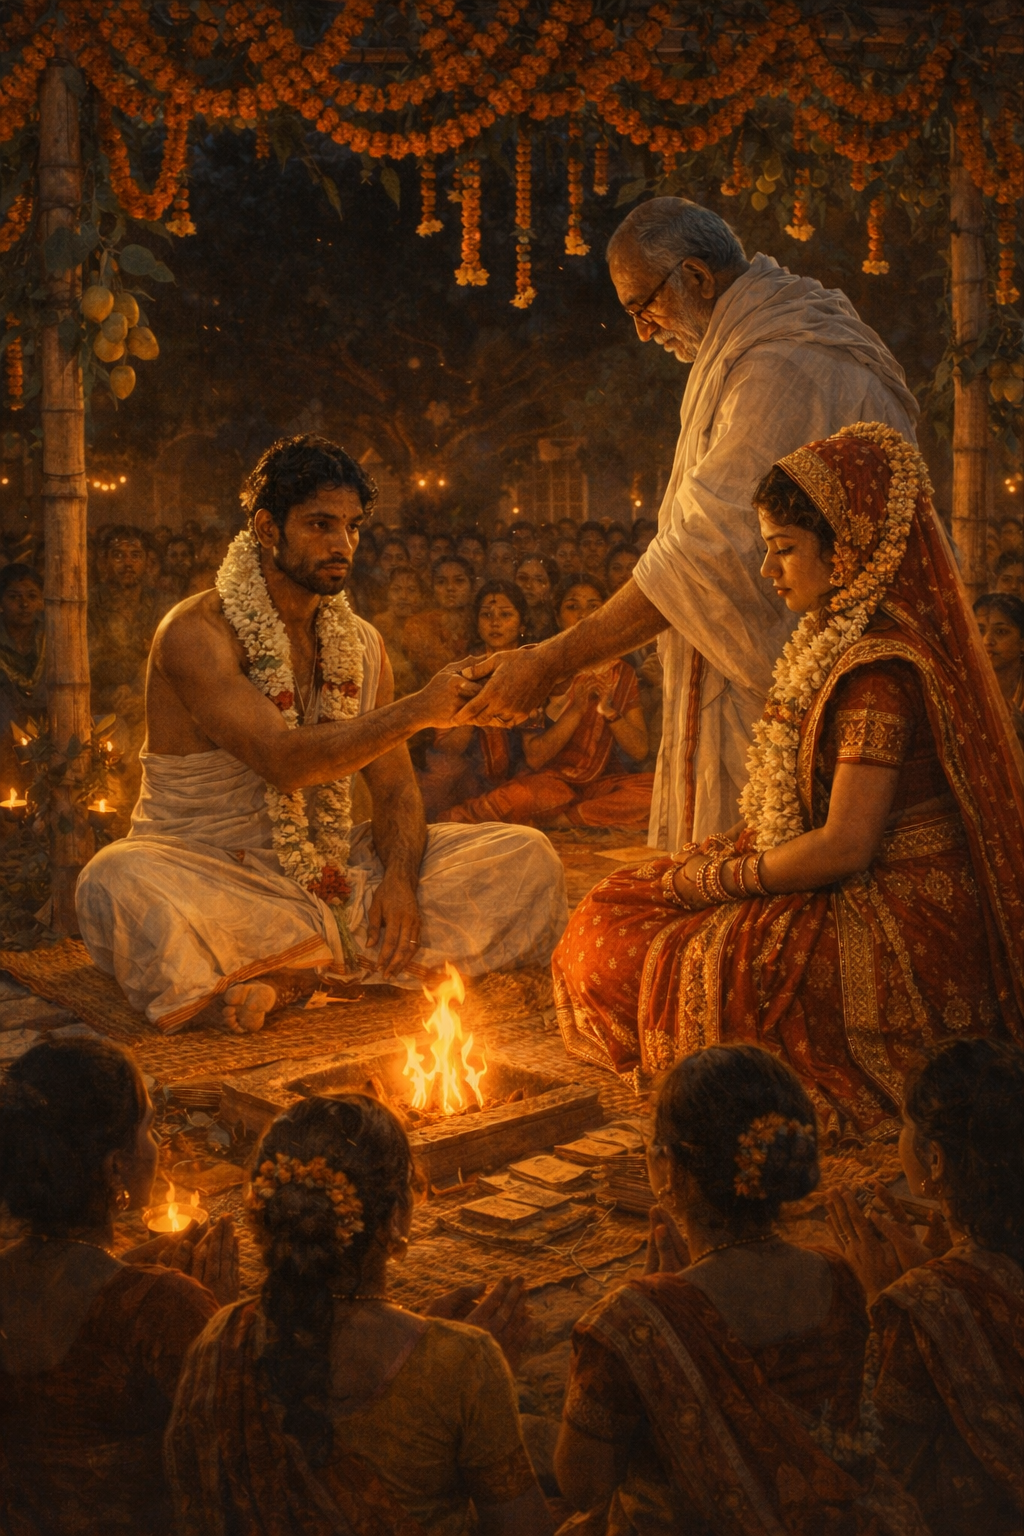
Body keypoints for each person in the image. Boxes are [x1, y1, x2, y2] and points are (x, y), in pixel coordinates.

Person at [553, 426, 1024, 1140]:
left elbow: (845, 847)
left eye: (784, 549)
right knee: (617, 904)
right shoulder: (836, 635)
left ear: (848, 550)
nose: (768, 569)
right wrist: (715, 871)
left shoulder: (878, 672)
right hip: (831, 871)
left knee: (628, 943)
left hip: (893, 909)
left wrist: (717, 881)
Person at [459, 199, 918, 849]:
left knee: (766, 870)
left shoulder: (780, 365)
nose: (643, 332)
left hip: (814, 686)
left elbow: (706, 554)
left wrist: (553, 660)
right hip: (791, 675)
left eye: (643, 307)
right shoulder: (770, 343)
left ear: (697, 277)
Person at [75, 436, 567, 1035]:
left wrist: (399, 881)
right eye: (320, 525)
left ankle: (291, 972)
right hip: (208, 868)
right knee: (115, 880)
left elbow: (395, 790)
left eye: (352, 527)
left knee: (527, 857)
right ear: (267, 528)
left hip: (334, 865)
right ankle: (334, 964)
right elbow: (282, 761)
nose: (342, 545)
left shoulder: (361, 643)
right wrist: (420, 710)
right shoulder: (196, 632)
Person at [555, 1045, 926, 1536]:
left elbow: (582, 1484)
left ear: (667, 1168)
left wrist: (659, 1312)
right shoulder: (840, 1276)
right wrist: (671, 1302)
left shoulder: (631, 1324)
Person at [166, 1093, 553, 1536]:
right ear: (397, 1217)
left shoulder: (220, 1336)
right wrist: (458, 1368)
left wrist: (432, 1344)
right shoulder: (464, 1364)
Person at [0, 1038, 238, 1536]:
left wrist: (128, 1268)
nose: (158, 1143)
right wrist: (223, 1326)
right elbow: (235, 1451)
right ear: (115, 1167)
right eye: (148, 1128)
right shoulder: (162, 1308)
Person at [826, 1038, 1024, 1536]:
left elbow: (877, 1469)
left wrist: (882, 1302)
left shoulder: (925, 1303)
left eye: (903, 1124)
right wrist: (939, 1271)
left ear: (935, 1160)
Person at [447, 576, 653, 830]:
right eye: (572, 607)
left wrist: (609, 712)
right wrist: (577, 710)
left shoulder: (621, 673)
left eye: (593, 607)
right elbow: (535, 758)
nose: (583, 615)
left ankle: (563, 820)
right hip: (547, 783)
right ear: (557, 616)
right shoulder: (542, 668)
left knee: (656, 791)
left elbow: (640, 750)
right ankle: (578, 816)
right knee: (527, 796)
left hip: (598, 785)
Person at [423, 580, 529, 820]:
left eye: (505, 615)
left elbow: (537, 753)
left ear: (522, 624)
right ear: (477, 623)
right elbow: (448, 747)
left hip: (521, 778)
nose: (495, 623)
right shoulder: (461, 673)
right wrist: (476, 705)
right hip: (470, 778)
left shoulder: (533, 671)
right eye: (486, 615)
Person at [0, 563, 45, 794]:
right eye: (14, 597)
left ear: (41, 601)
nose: (24, 604)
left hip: (46, 717)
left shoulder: (51, 635)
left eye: (31, 596)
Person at [402, 555, 478, 687]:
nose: (450, 588)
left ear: (472, 587)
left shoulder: (480, 623)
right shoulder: (417, 625)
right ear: (432, 587)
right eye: (441, 582)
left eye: (459, 581)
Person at [974, 591, 1024, 741]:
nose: (987, 641)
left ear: (1022, 642)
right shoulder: (961, 685)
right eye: (979, 630)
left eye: (1001, 632)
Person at [373, 563, 426, 698]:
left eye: (411, 590)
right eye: (396, 590)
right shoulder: (379, 625)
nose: (403, 596)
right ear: (387, 594)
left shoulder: (428, 625)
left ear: (421, 596)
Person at [515, 554, 560, 642]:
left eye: (539, 580)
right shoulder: (507, 623)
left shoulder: (559, 624)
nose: (528, 585)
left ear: (552, 588)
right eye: (522, 578)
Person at [159, 535, 195, 601]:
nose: (179, 559)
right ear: (166, 559)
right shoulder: (160, 587)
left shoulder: (198, 584)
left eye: (184, 555)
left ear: (191, 558)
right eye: (173, 555)